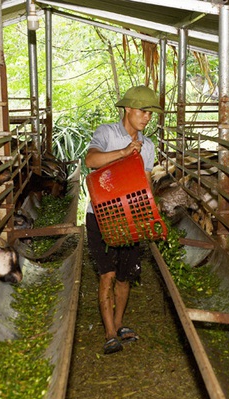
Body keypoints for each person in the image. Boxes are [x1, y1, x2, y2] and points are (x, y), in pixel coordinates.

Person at [85, 85, 163, 355]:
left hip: (131, 217)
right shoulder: (106, 133)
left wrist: (150, 216)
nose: (147, 118)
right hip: (100, 216)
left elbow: (147, 183)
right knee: (106, 273)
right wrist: (124, 153)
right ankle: (108, 333)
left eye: (150, 113)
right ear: (128, 109)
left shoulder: (149, 146)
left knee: (125, 275)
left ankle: (119, 325)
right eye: (143, 111)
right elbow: (91, 161)